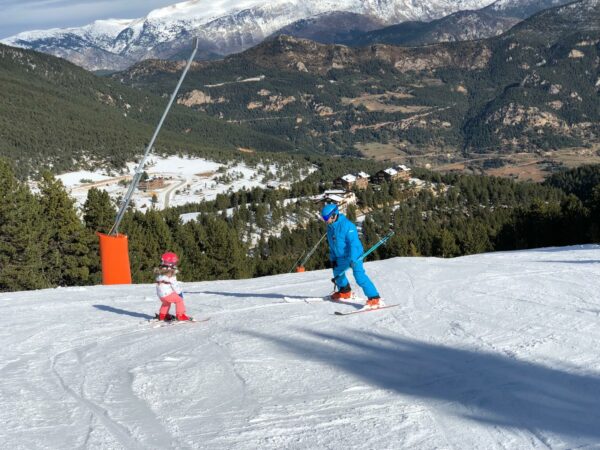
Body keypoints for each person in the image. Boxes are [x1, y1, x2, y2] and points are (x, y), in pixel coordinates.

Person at [321, 203, 382, 307]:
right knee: (337, 273)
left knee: (359, 276)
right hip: (340, 256)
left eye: (326, 217)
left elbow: (354, 244)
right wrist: (333, 258)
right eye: (323, 218)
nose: (325, 220)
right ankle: (345, 291)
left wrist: (354, 259)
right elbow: (332, 245)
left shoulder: (347, 225)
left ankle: (374, 297)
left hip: (354, 255)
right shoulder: (330, 228)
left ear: (333, 215)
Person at [154, 252, 193, 321]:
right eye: (174, 263)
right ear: (170, 263)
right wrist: (179, 293)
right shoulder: (171, 273)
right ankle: (180, 315)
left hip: (160, 294)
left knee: (166, 303)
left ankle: (163, 315)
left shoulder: (160, 272)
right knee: (179, 300)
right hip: (166, 293)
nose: (175, 265)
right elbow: (175, 285)